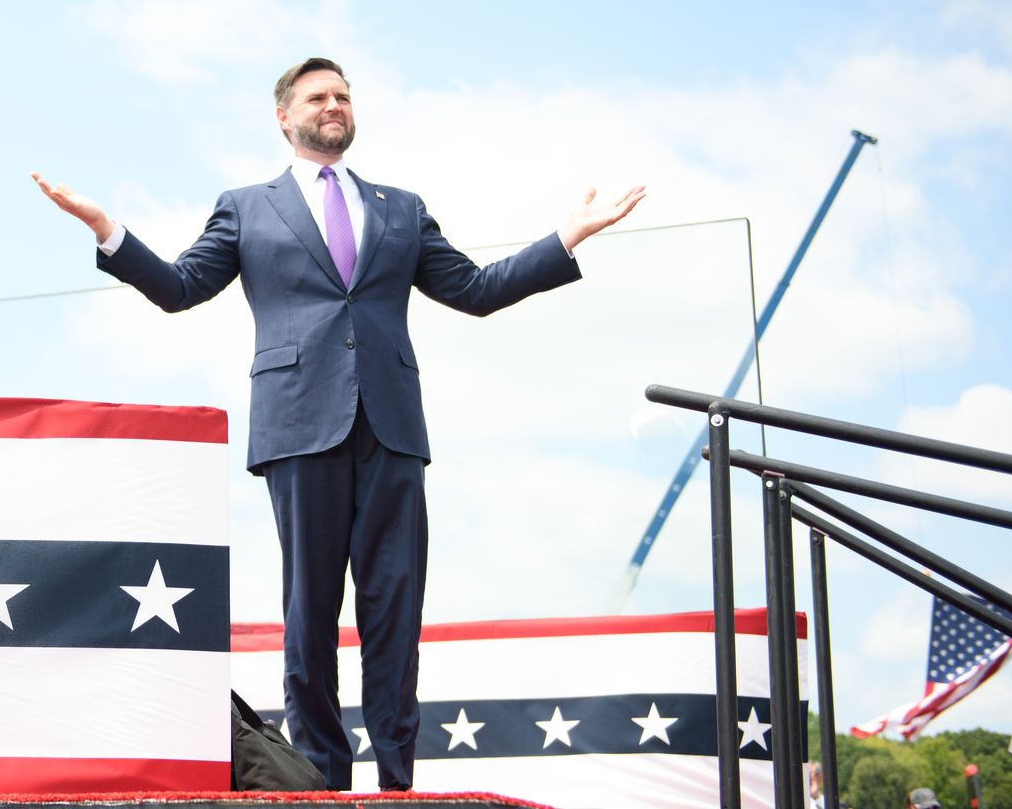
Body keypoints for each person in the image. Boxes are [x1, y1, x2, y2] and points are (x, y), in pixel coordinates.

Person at [32, 57, 644, 791]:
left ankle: (395, 782)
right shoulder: (246, 207)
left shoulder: (401, 208)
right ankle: (319, 780)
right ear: (284, 117)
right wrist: (107, 229)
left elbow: (476, 292)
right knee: (310, 614)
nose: (334, 105)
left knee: (394, 612)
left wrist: (565, 237)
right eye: (318, 96)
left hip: (390, 430)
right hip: (298, 427)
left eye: (344, 96)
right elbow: (180, 287)